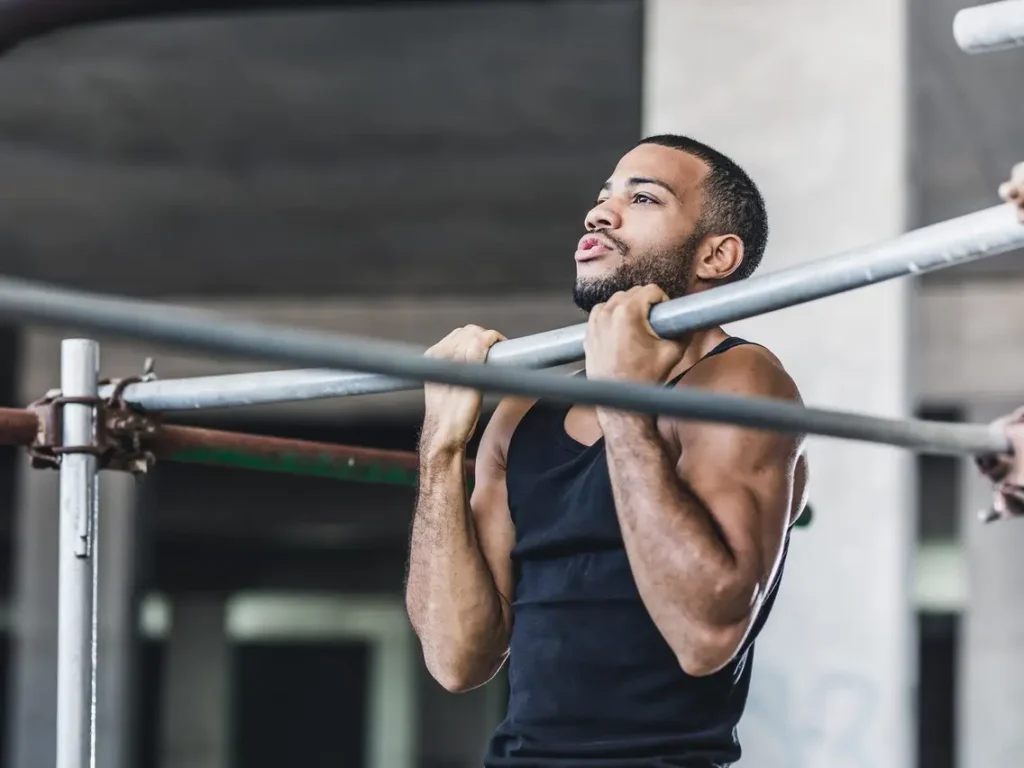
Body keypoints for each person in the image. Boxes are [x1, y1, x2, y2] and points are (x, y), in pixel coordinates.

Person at [404, 134, 809, 767]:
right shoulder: (523, 414)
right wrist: (441, 448)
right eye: (602, 198)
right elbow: (459, 658)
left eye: (642, 197)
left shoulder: (741, 380)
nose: (600, 214)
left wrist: (625, 404)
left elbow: (706, 637)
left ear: (716, 255)